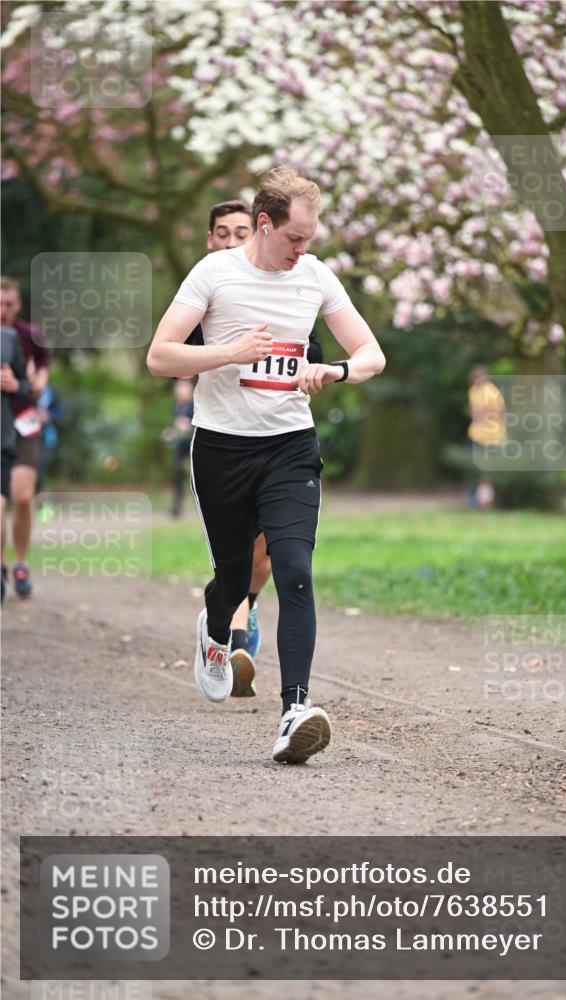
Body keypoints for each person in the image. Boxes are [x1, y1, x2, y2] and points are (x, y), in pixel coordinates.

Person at [147, 166, 385, 763]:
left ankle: (294, 712)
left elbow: (371, 353)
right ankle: (215, 626)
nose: (303, 251)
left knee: (295, 569)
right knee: (232, 579)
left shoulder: (314, 276)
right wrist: (230, 352)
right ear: (263, 224)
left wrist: (335, 371)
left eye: (310, 239)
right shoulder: (214, 273)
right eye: (295, 239)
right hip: (223, 447)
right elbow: (159, 356)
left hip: (289, 446)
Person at [199, 200, 325, 667]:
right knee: (235, 562)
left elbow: (308, 352)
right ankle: (228, 626)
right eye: (223, 233)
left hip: (284, 438)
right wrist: (230, 352)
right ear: (210, 240)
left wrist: (319, 370)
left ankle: (243, 616)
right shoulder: (209, 283)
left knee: (272, 558)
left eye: (240, 231)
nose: (232, 240)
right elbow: (172, 358)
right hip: (222, 437)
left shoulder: (298, 283)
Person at [0, 276, 51, 598]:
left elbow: (41, 372)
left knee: (21, 496)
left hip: (24, 420)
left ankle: (20, 563)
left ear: (18, 305)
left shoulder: (29, 335)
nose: (2, 309)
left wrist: (33, 383)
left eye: (8, 304)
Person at [1, 324, 32, 602]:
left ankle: (7, 568)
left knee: (2, 504)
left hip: (4, 435)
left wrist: (15, 385)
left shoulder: (9, 339)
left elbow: (26, 388)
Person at [466, 364, 506, 508]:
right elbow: (473, 411)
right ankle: (475, 501)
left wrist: (482, 414)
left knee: (487, 473)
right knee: (475, 470)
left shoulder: (491, 391)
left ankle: (487, 502)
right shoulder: (473, 391)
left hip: (491, 437)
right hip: (475, 435)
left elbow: (498, 411)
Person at [162, 377, 195, 518]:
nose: (182, 392)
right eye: (179, 389)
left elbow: (198, 427)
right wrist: (170, 432)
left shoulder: (195, 406)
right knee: (177, 474)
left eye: (185, 389)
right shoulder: (176, 406)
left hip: (194, 444)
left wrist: (189, 426)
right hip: (181, 445)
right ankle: (177, 507)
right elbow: (177, 426)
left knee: (196, 477)